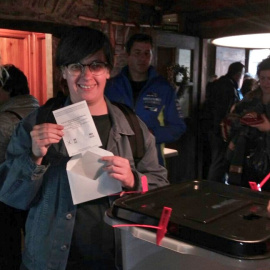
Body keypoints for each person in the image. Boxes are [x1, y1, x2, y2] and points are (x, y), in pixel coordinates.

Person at [0, 26, 168, 270]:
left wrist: (133, 180)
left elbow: (161, 189)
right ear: (64, 72)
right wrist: (33, 157)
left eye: (96, 65)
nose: (86, 76)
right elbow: (10, 196)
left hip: (117, 259)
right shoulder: (35, 125)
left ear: (108, 71)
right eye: (75, 66)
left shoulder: (134, 128)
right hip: (50, 260)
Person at [105, 33, 186, 166]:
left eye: (146, 53)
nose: (142, 58)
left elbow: (178, 127)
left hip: (152, 161)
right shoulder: (111, 86)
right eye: (137, 53)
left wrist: (150, 134)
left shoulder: (163, 88)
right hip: (116, 159)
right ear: (128, 55)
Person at [0, 64, 39, 269]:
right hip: (35, 190)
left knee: (7, 249)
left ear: (7, 89)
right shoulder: (39, 110)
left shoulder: (4, 120)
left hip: (7, 195)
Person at [225, 56, 270, 190]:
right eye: (263, 78)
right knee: (244, 193)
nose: (266, 82)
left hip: (268, 157)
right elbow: (232, 119)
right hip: (246, 155)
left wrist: (268, 128)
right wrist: (242, 123)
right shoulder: (250, 98)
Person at [207, 61, 245, 182]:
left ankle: (215, 187)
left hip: (215, 128)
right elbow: (223, 112)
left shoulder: (220, 84)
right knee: (219, 161)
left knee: (218, 161)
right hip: (221, 130)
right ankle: (214, 190)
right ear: (238, 74)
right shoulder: (228, 87)